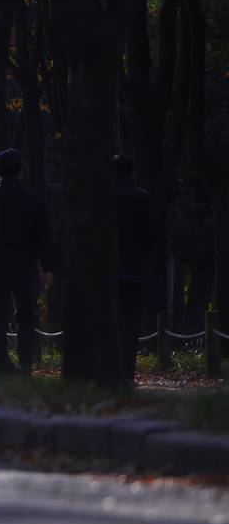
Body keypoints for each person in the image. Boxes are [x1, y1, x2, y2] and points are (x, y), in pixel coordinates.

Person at [0, 148, 56, 372]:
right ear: (21, 171)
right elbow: (44, 237)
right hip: (25, 265)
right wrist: (48, 267)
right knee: (26, 316)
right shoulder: (34, 201)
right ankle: (25, 361)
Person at [113, 155, 152, 384]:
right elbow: (151, 236)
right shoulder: (142, 199)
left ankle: (109, 369)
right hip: (135, 270)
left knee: (109, 321)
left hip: (108, 271)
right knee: (130, 324)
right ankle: (127, 371)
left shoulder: (103, 199)